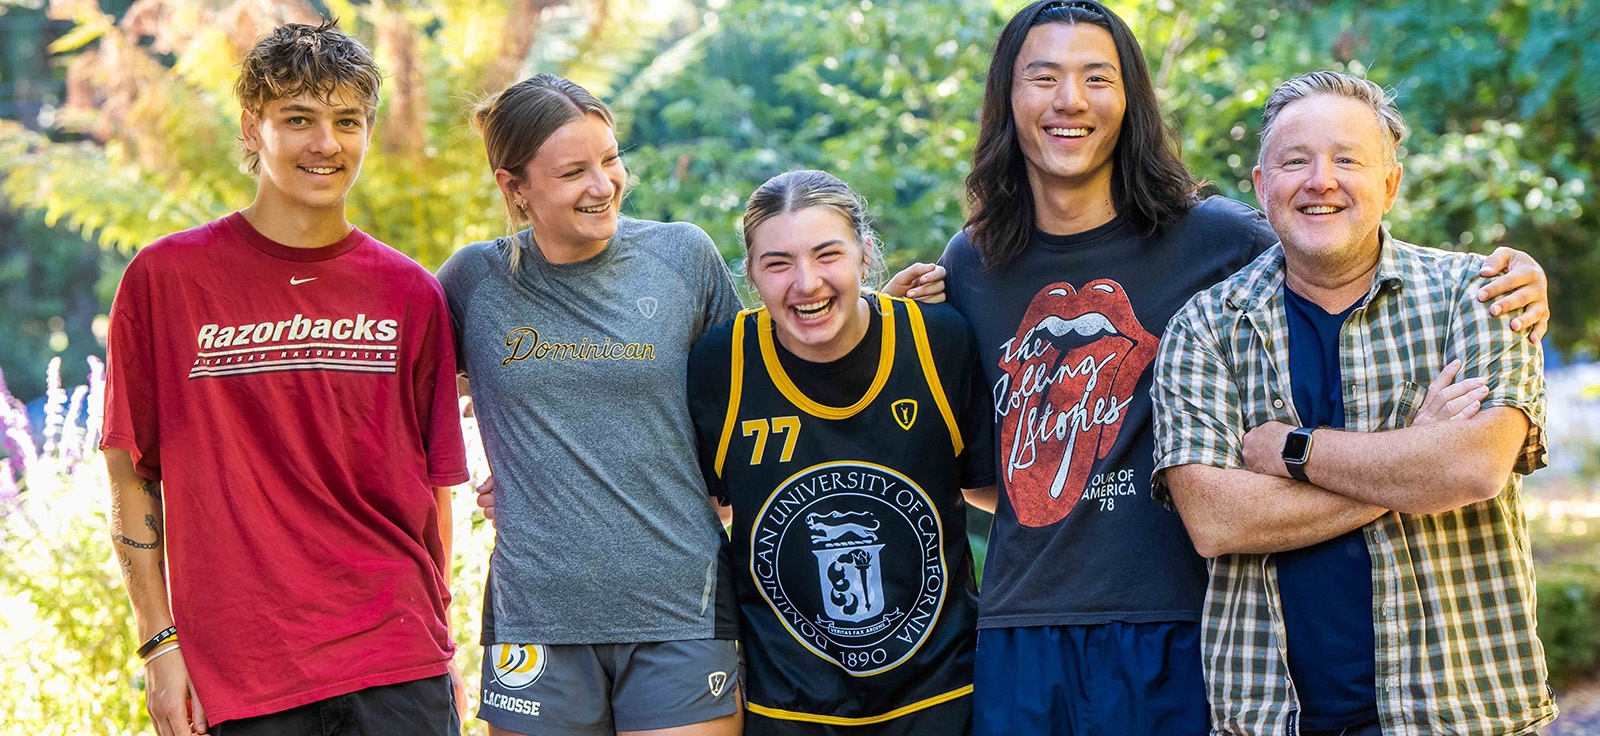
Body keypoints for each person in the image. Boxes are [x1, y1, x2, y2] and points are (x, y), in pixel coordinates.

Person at [887, 2, 1556, 734]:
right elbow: (987, 472)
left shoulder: (1218, 240)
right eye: (1041, 77)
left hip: (1174, 622)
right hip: (1021, 624)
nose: (1068, 99)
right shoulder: (974, 259)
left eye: (1096, 77)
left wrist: (1512, 276)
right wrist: (881, 337)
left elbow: (1339, 242)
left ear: (1129, 98)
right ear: (1007, 99)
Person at [1153, 70, 1556, 736]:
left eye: (1347, 159)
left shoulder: (1481, 296)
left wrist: (1293, 449)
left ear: (1391, 184)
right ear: (1262, 187)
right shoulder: (1204, 328)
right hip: (1272, 716)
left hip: (1461, 713)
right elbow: (1215, 520)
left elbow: (1475, 467)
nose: (1322, 180)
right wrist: (1416, 459)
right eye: (1296, 161)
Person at [102, 20, 468, 736]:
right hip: (243, 673)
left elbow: (432, 491)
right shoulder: (166, 281)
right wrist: (158, 645)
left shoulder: (411, 293)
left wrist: (440, 643)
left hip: (396, 662)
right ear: (253, 126)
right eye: (298, 119)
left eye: (347, 121)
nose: (325, 143)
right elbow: (129, 474)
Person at [436, 74, 746, 736]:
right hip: (535, 616)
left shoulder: (683, 257)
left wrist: (871, 314)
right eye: (574, 171)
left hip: (679, 606)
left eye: (610, 160)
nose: (603, 185)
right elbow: (409, 400)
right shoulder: (472, 283)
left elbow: (757, 391)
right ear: (513, 187)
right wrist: (513, 471)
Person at [686, 170, 994, 734]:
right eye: (777, 263)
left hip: (941, 694)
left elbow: (991, 490)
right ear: (751, 274)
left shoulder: (938, 342)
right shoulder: (721, 362)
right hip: (787, 704)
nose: (806, 283)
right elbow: (706, 508)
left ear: (865, 254)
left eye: (827, 254)